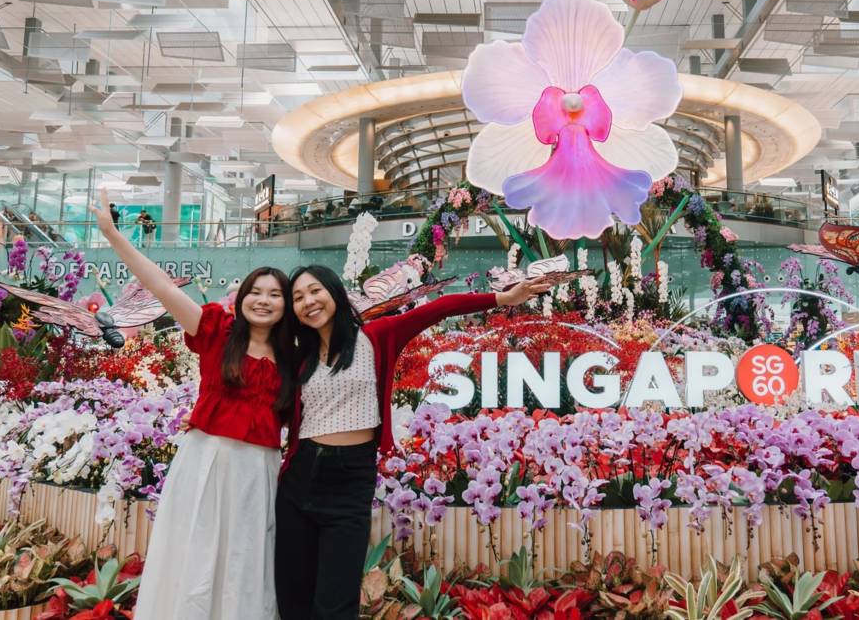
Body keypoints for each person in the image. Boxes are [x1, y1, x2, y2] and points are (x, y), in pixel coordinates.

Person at [274, 265, 550, 619]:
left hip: (349, 480)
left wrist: (504, 298)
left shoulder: (375, 336)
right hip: (299, 477)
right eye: (298, 297)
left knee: (336, 600)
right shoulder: (301, 358)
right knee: (292, 593)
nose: (308, 302)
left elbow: (441, 307)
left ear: (334, 293)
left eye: (315, 291)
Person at [90, 188, 293, 620]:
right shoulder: (216, 331)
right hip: (207, 462)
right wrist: (112, 234)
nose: (264, 300)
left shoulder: (294, 356)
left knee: (245, 559)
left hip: (258, 472)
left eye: (275, 294)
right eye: (256, 291)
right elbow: (159, 284)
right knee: (196, 555)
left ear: (286, 305)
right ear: (242, 298)